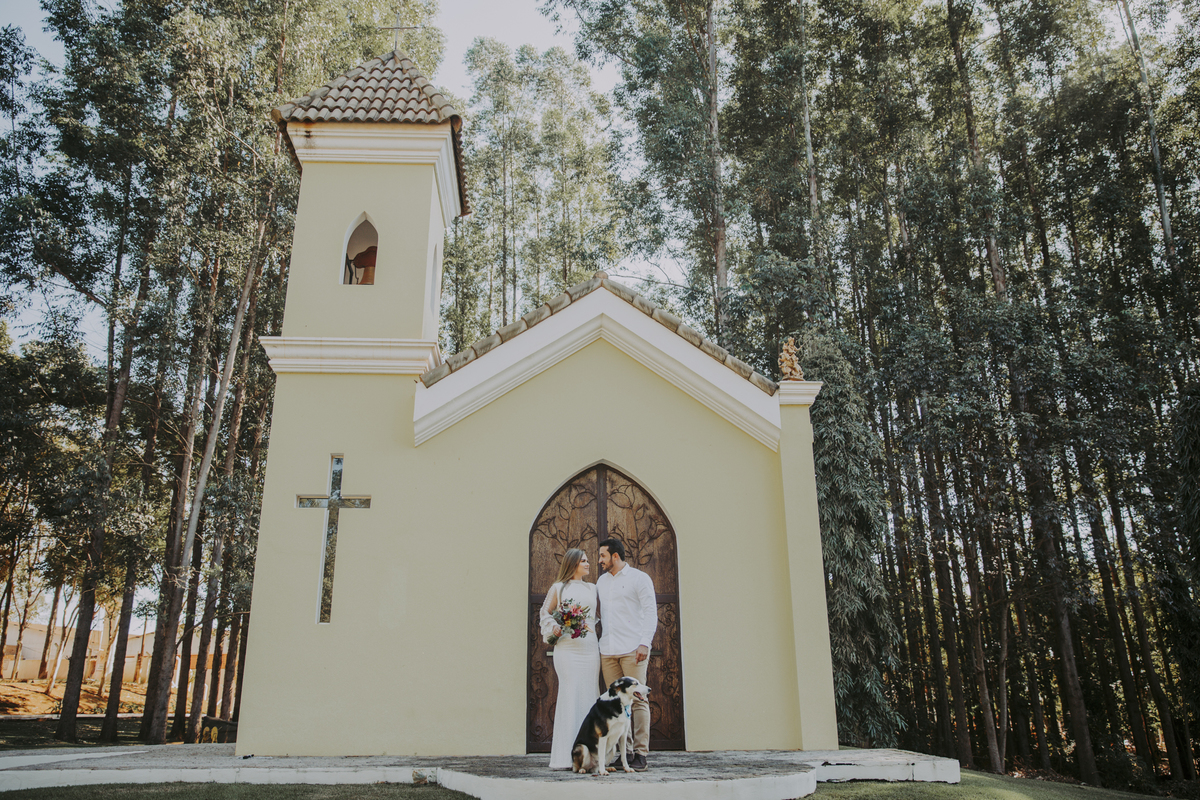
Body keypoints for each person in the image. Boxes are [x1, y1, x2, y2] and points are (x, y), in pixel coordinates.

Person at [596, 537, 657, 772]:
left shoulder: (640, 579)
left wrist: (645, 643)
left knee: (639, 701)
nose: (599, 560)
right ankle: (626, 752)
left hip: (633, 649)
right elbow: (600, 614)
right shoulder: (601, 582)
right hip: (608, 650)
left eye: (602, 556)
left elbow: (651, 612)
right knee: (616, 704)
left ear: (615, 556)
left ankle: (641, 753)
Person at [539, 548, 600, 769]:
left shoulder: (593, 588)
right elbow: (544, 613)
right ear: (573, 564)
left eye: (588, 559)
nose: (588, 563)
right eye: (583, 560)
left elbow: (598, 616)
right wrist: (554, 628)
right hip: (567, 650)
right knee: (570, 695)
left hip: (589, 649)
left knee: (589, 696)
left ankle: (590, 757)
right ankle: (566, 757)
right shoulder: (559, 587)